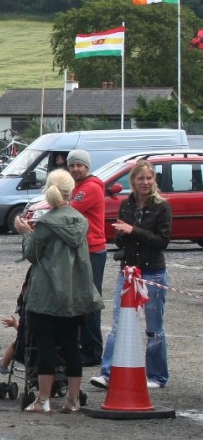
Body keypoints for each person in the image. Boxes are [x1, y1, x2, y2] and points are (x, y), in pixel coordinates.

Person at [13, 169, 102, 413]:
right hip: (74, 294)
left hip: (46, 294)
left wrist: (26, 233)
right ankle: (72, 400)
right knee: (72, 346)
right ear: (70, 190)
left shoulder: (46, 222)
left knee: (45, 346)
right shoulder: (81, 221)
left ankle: (43, 400)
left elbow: (33, 255)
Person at [90, 160, 172, 390]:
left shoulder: (162, 207)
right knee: (119, 323)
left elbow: (162, 242)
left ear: (154, 180)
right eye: (140, 178)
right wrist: (122, 235)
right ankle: (108, 373)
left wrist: (133, 230)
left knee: (154, 326)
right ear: (133, 181)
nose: (145, 183)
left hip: (152, 272)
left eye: (149, 178)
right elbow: (119, 238)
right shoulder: (126, 204)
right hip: (128, 271)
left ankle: (157, 375)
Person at [66, 149, 106, 367]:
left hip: (92, 250)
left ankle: (92, 352)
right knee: (79, 301)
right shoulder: (76, 187)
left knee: (90, 301)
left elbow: (68, 211)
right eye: (72, 165)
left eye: (79, 165)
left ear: (87, 167)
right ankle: (83, 346)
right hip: (81, 250)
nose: (75, 169)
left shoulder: (89, 188)